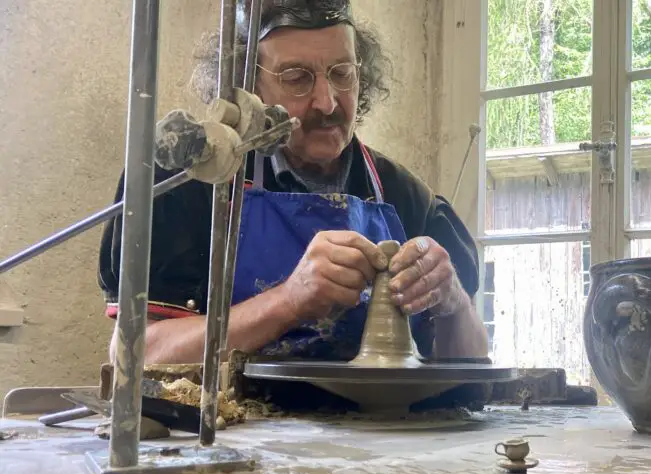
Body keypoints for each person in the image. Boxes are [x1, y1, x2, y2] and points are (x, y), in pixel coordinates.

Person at [98, 0, 487, 366]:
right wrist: (288, 300)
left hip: (382, 431)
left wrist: (452, 301)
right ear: (247, 85)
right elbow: (133, 354)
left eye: (342, 73)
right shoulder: (188, 183)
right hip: (238, 432)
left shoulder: (405, 196)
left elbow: (469, 376)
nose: (327, 102)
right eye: (297, 78)